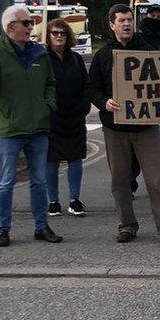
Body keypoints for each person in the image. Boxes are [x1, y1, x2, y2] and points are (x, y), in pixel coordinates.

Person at [0, 6, 62, 247]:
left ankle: (41, 226)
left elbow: (50, 83)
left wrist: (48, 105)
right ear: (11, 27)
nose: (32, 27)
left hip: (38, 128)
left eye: (31, 22)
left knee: (39, 181)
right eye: (27, 23)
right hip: (10, 130)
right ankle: (3, 228)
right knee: (6, 181)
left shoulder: (39, 54)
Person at [87, 4, 160, 246]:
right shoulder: (103, 55)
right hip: (115, 128)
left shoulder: (148, 51)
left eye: (129, 19)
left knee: (156, 180)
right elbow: (92, 88)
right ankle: (127, 224)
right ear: (112, 24)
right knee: (120, 181)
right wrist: (103, 102)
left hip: (145, 127)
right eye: (121, 20)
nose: (126, 24)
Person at [129, 4, 160, 196]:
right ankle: (130, 184)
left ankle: (158, 186)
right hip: (140, 101)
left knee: (157, 150)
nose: (156, 19)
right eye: (152, 15)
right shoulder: (136, 41)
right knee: (135, 151)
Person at [44, 18, 90, 217]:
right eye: (55, 33)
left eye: (62, 33)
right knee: (51, 160)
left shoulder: (76, 59)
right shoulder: (42, 59)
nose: (59, 36)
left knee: (75, 158)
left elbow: (85, 85)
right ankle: (53, 201)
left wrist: (84, 106)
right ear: (48, 36)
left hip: (74, 115)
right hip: (51, 117)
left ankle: (74, 199)